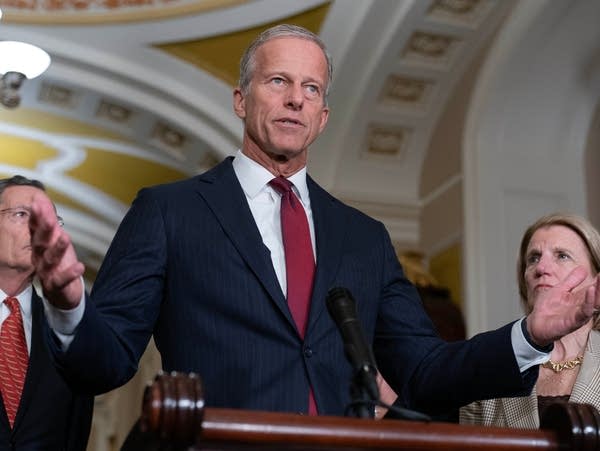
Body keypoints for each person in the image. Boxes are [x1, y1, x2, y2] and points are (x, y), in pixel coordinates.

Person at [29, 24, 600, 419]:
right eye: (278, 81)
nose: (295, 99)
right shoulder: (169, 211)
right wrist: (68, 304)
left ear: (323, 118)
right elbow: (104, 364)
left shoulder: (364, 238)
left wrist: (527, 337)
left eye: (311, 89)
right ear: (240, 99)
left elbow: (425, 370)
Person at [460, 213, 600, 428]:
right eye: (533, 258)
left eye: (562, 255)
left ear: (596, 278)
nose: (541, 268)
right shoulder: (493, 363)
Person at [0, 175, 93, 450]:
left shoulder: (68, 331)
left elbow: (76, 432)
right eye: (21, 214)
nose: (38, 229)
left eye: (48, 222)